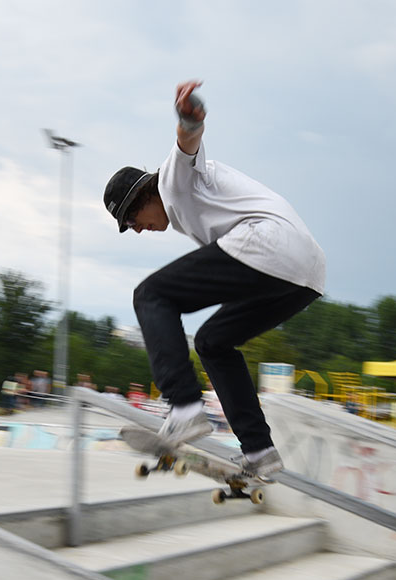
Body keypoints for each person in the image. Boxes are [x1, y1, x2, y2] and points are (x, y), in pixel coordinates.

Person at [103, 80, 325, 479]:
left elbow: (186, 144)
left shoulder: (171, 182)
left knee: (151, 294)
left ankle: (184, 407)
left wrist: (188, 119)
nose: (138, 230)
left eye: (133, 220)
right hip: (304, 273)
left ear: (142, 198)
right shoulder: (193, 210)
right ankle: (259, 449)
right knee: (212, 342)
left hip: (267, 244)